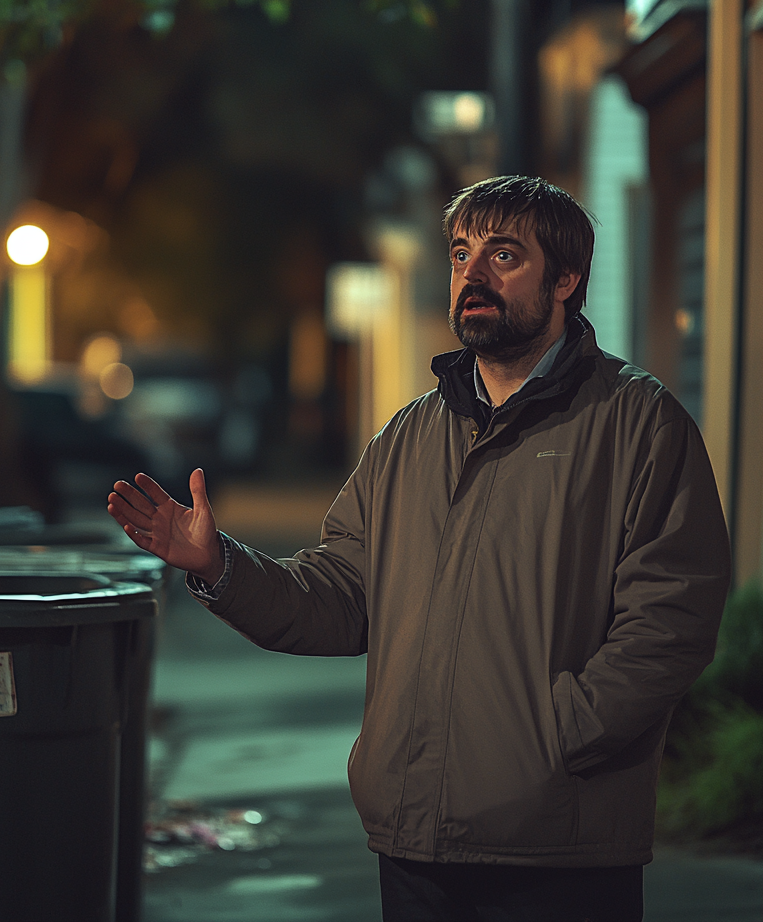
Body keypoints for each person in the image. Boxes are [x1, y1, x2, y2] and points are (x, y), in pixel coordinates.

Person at [108, 175, 730, 922]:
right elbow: (339, 598)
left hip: (558, 843)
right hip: (413, 838)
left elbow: (672, 620)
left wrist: (557, 740)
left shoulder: (638, 424)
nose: (472, 275)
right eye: (463, 254)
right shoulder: (409, 436)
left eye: (504, 256)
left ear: (566, 280)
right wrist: (219, 567)